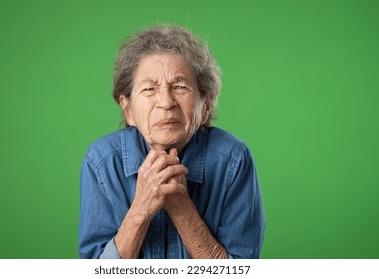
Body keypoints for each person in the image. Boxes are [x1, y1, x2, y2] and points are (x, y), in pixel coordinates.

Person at [79, 25, 265, 259]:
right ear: (128, 109)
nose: (166, 102)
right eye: (149, 89)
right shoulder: (101, 161)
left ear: (205, 107)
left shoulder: (233, 159)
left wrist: (181, 207)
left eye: (180, 87)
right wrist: (142, 207)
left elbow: (242, 269)